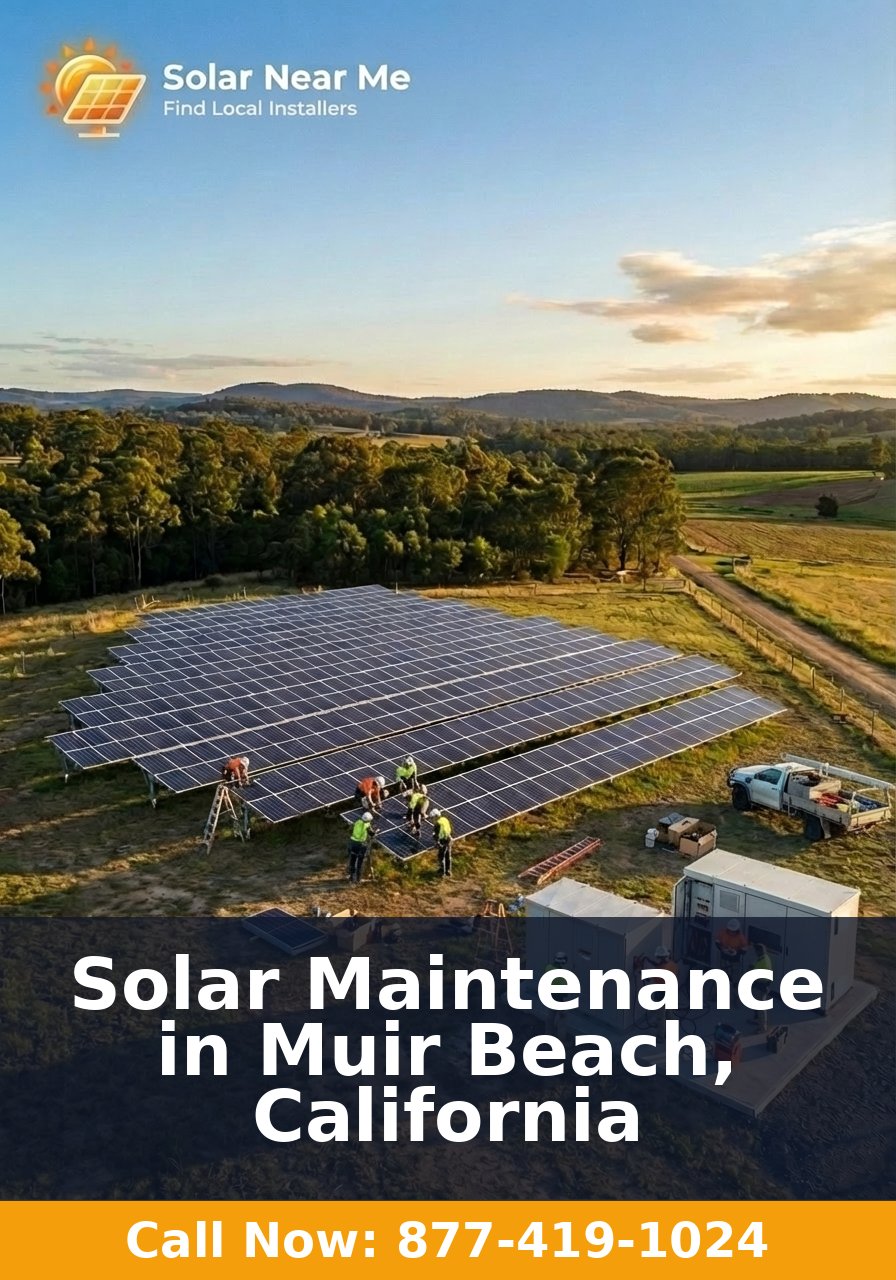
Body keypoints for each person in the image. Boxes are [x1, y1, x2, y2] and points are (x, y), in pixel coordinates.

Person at [751, 943, 774, 1033]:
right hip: (760, 985)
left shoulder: (763, 961)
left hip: (761, 986)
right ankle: (757, 1020)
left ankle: (762, 1028)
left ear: (759, 951)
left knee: (761, 1008)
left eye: (756, 951)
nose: (755, 953)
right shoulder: (765, 958)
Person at [347, 812, 375, 884]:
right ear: (368, 820)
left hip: (352, 842)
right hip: (360, 844)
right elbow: (371, 833)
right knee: (360, 862)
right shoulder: (367, 825)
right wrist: (375, 832)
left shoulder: (357, 822)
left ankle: (351, 877)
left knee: (352, 860)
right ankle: (358, 879)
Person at [430, 809, 453, 877]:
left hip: (443, 841)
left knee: (441, 856)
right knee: (448, 856)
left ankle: (442, 872)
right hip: (449, 839)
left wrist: (437, 843)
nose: (432, 819)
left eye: (432, 818)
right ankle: (448, 871)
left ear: (436, 816)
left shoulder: (437, 824)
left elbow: (436, 835)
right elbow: (449, 828)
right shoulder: (444, 819)